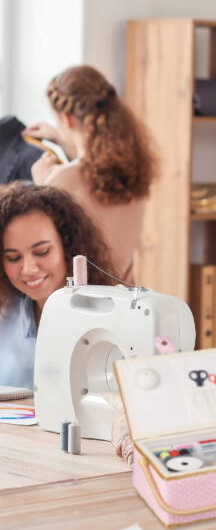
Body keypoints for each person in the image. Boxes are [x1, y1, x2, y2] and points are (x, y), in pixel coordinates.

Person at [23, 65, 157, 282]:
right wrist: (62, 138)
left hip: (82, 301)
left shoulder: (61, 180)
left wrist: (42, 185)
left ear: (67, 119)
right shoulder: (131, 173)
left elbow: (44, 252)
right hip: (126, 298)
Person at [0, 181, 115, 388]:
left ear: (68, 245)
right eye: (13, 257)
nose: (28, 269)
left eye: (42, 252)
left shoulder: (105, 314)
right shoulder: (7, 313)